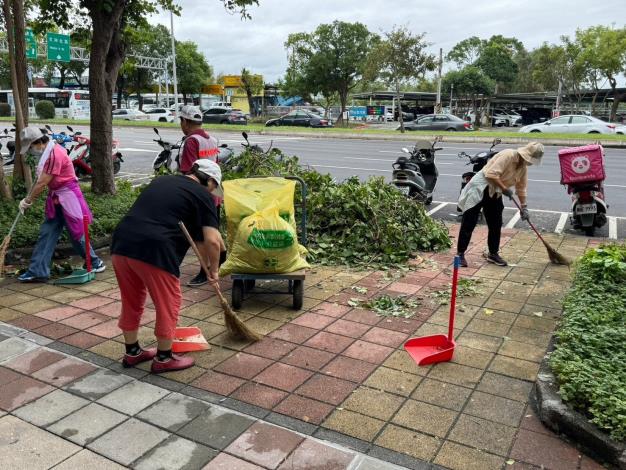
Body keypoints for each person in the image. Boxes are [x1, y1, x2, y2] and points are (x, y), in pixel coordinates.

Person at [110, 159, 224, 373]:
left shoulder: (164, 181)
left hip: (121, 243)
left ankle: (132, 352)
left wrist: (206, 266)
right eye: (214, 186)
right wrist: (215, 271)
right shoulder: (203, 195)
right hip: (155, 248)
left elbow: (199, 240)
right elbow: (213, 241)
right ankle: (164, 358)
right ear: (208, 180)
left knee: (132, 300)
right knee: (168, 303)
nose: (213, 191)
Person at [16, 126, 105, 282]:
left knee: (76, 232)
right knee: (48, 232)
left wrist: (27, 201)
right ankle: (38, 271)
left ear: (38, 142)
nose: (30, 151)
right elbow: (42, 179)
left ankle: (95, 262)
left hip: (68, 197)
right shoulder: (48, 151)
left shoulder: (54, 154)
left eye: (30, 147)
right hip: (58, 197)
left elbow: (42, 182)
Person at [456, 142, 544, 268]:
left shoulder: (522, 168)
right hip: (481, 187)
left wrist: (524, 207)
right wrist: (504, 189)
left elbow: (521, 188)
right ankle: (460, 253)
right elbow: (491, 174)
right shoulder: (508, 155)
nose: (528, 162)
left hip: (495, 191)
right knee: (469, 221)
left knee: (496, 223)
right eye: (528, 159)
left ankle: (493, 253)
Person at [177, 105, 225, 287]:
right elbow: (216, 166)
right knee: (213, 230)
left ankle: (205, 270)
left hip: (200, 197)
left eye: (181, 121)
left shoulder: (191, 141)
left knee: (199, 236)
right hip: (215, 193)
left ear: (186, 122)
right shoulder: (212, 139)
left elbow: (189, 171)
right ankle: (221, 259)